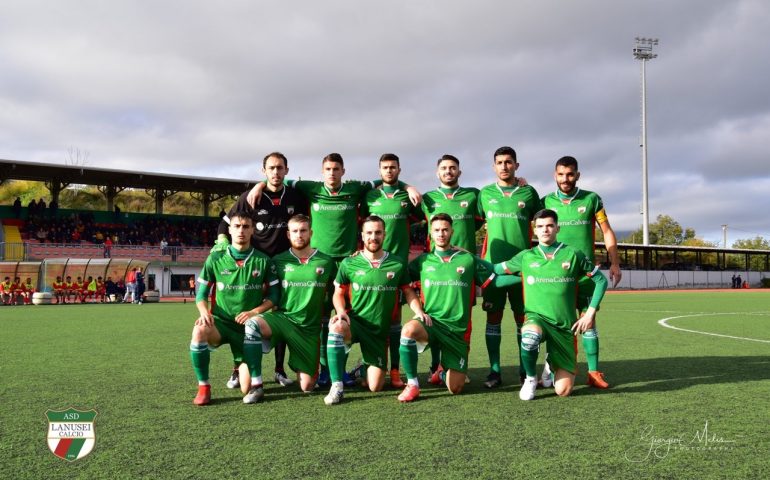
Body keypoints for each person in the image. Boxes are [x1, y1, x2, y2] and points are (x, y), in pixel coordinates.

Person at [247, 153, 421, 387]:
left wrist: (408, 186)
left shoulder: (355, 189)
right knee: (323, 315)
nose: (332, 173)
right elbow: (279, 180)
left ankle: (362, 368)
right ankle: (325, 370)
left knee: (353, 314)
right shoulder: (312, 188)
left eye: (336, 169)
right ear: (322, 172)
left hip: (348, 262)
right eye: (328, 169)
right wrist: (258, 186)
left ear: (343, 171)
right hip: (320, 262)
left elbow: (384, 180)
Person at [396, 214, 519, 402]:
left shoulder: (467, 259)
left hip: (457, 331)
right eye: (436, 230)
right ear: (430, 233)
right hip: (432, 323)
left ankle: (443, 372)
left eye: (445, 229)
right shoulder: (423, 261)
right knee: (408, 330)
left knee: (456, 388)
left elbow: (495, 281)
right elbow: (401, 279)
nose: (441, 234)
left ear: (452, 231)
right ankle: (412, 384)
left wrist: (528, 278)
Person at [213, 152, 309, 389]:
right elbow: (224, 224)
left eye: (280, 168)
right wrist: (223, 243)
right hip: (255, 265)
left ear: (287, 170)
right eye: (271, 168)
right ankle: (238, 368)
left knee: (282, 313)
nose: (276, 172)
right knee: (244, 314)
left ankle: (279, 369)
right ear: (263, 171)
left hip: (285, 266)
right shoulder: (250, 197)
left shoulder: (296, 197)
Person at [494, 209, 608, 400]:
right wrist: (467, 258)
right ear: (534, 230)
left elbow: (601, 281)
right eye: (540, 226)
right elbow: (495, 270)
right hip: (536, 318)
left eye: (549, 225)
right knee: (529, 337)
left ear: (557, 228)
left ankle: (551, 362)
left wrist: (589, 313)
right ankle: (530, 378)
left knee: (562, 391)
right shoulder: (525, 257)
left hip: (564, 326)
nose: (545, 230)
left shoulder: (573, 254)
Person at [324, 216, 428, 405]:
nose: (374, 237)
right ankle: (336, 386)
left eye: (378, 232)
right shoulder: (349, 263)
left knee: (374, 386)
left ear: (384, 235)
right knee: (337, 326)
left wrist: (418, 311)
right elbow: (338, 292)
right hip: (355, 323)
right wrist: (340, 310)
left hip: (379, 331)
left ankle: (361, 369)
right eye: (369, 233)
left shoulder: (396, 263)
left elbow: (408, 291)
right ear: (362, 236)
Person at [541, 156, 621, 389]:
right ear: (554, 175)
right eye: (561, 174)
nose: (565, 179)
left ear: (578, 175)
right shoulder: (545, 201)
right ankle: (554, 366)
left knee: (590, 321)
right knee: (558, 324)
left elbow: (606, 231)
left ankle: (594, 372)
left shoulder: (592, 199)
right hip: (556, 276)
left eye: (570, 174)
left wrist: (614, 262)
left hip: (584, 273)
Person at [240, 214, 337, 400]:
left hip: (308, 328)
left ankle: (294, 363)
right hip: (282, 319)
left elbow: (340, 288)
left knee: (308, 386)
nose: (299, 235)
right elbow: (263, 289)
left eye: (303, 231)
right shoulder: (277, 261)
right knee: (252, 325)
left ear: (311, 233)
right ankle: (256, 383)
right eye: (295, 231)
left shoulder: (327, 262)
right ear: (288, 234)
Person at [189, 210, 279, 406]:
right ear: (229, 229)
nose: (241, 231)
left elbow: (274, 296)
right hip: (220, 323)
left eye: (246, 227)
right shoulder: (215, 259)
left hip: (247, 328)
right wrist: (204, 313)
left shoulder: (263, 260)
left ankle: (239, 366)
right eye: (237, 226)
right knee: (199, 330)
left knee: (246, 388)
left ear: (253, 230)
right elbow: (201, 295)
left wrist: (254, 312)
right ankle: (203, 387)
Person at [477, 146, 541, 388]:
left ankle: (525, 370)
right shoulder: (484, 194)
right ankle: (494, 371)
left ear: (517, 165)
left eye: (509, 162)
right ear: (494, 166)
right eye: (500, 162)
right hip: (493, 270)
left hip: (523, 269)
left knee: (521, 319)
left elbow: (545, 219)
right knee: (493, 318)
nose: (504, 166)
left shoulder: (528, 193)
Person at [359, 153, 422, 388]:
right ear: (379, 170)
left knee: (394, 320)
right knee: (370, 318)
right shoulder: (370, 196)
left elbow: (426, 217)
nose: (389, 170)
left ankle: (395, 371)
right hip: (368, 266)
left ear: (399, 169)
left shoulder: (407, 196)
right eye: (385, 167)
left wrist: (410, 187)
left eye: (393, 167)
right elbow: (361, 226)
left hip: (394, 267)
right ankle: (371, 366)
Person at [420, 154, 483, 383]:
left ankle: (458, 363)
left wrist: (521, 181)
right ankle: (435, 367)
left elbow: (479, 221)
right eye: (444, 168)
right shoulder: (427, 199)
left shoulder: (473, 195)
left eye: (453, 168)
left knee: (463, 318)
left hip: (463, 270)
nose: (448, 171)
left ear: (459, 172)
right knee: (433, 315)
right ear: (437, 173)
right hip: (435, 269)